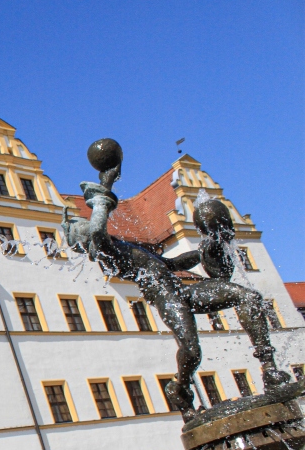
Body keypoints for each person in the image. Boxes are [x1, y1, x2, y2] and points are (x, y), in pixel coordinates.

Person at [63, 152, 290, 417]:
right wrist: (103, 194)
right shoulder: (107, 252)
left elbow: (171, 264)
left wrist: (203, 253)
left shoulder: (125, 247)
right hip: (166, 297)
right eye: (83, 226)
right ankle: (179, 387)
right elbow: (99, 232)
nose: (88, 225)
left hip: (182, 290)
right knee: (192, 351)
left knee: (248, 297)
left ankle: (270, 371)